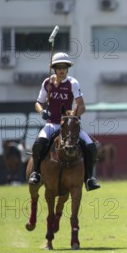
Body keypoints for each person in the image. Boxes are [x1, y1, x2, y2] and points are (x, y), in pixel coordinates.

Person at [28, 52, 101, 191]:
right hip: (51, 123)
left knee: (91, 146)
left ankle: (89, 178)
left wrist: (72, 117)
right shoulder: (47, 83)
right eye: (59, 67)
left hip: (68, 125)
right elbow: (38, 103)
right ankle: (36, 173)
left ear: (67, 68)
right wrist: (41, 111)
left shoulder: (73, 83)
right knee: (38, 144)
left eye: (64, 67)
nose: (62, 70)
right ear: (54, 68)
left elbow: (82, 106)